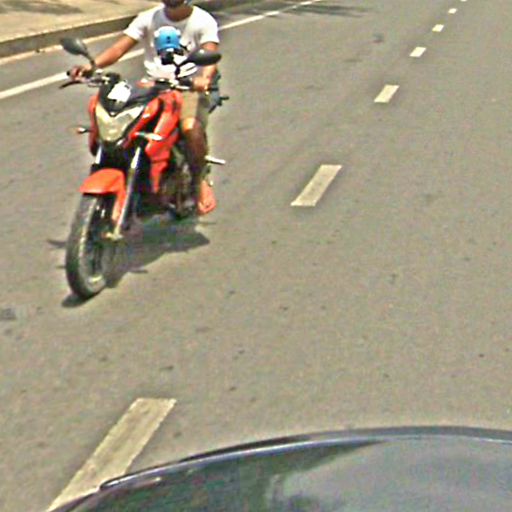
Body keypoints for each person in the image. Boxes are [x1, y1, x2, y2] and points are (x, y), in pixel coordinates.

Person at [70, 0, 220, 214]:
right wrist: (91, 67)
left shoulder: (203, 21)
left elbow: (209, 54)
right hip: (152, 85)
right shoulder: (148, 18)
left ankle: (200, 181)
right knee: (125, 122)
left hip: (187, 86)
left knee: (190, 128)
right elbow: (118, 49)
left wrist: (203, 78)